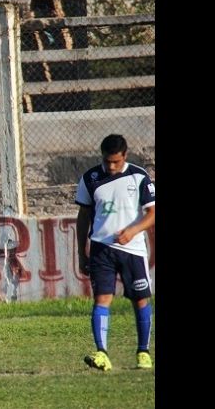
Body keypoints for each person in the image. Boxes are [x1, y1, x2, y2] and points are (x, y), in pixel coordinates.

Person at [76, 134, 155, 371]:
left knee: (141, 299)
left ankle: (143, 352)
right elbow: (83, 217)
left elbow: (152, 213)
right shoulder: (90, 178)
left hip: (132, 249)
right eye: (107, 161)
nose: (111, 166)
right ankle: (102, 353)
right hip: (102, 248)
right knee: (101, 299)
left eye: (116, 162)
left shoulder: (139, 176)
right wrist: (82, 251)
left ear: (125, 156)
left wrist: (133, 230)